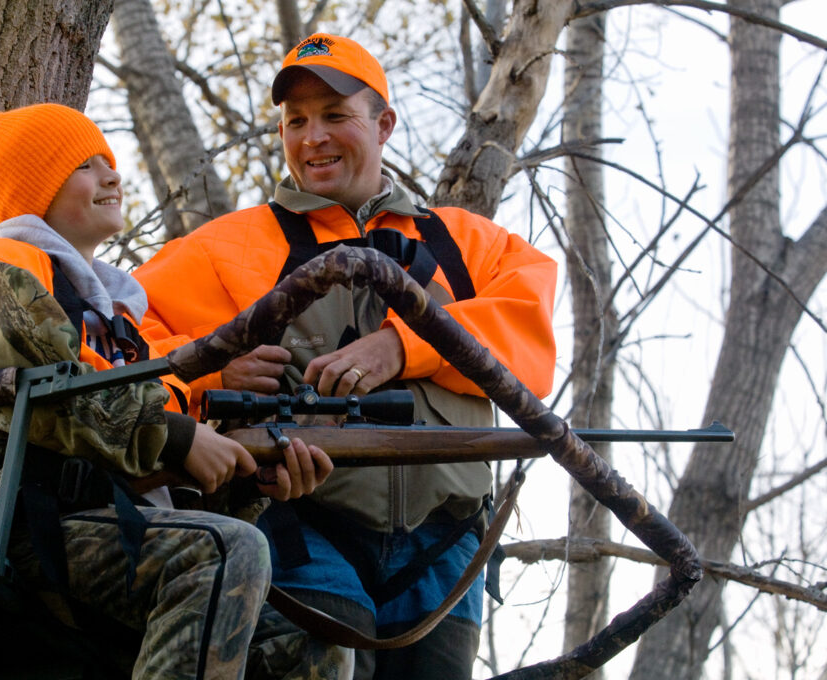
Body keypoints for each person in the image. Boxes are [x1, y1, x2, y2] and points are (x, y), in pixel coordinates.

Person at [132, 34, 558, 680]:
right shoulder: (229, 247)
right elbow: (123, 352)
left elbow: (531, 338)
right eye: (295, 121)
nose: (312, 138)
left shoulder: (465, 242)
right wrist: (210, 376)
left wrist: (403, 345)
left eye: (335, 115)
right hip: (301, 528)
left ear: (383, 124)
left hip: (446, 546)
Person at [0, 103, 342, 680]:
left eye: (109, 161)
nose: (112, 175)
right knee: (222, 552)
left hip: (94, 520)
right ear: (35, 190)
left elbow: (133, 453)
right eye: (85, 165)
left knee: (310, 647)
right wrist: (180, 438)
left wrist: (246, 482)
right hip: (0, 526)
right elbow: (47, 401)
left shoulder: (120, 321)